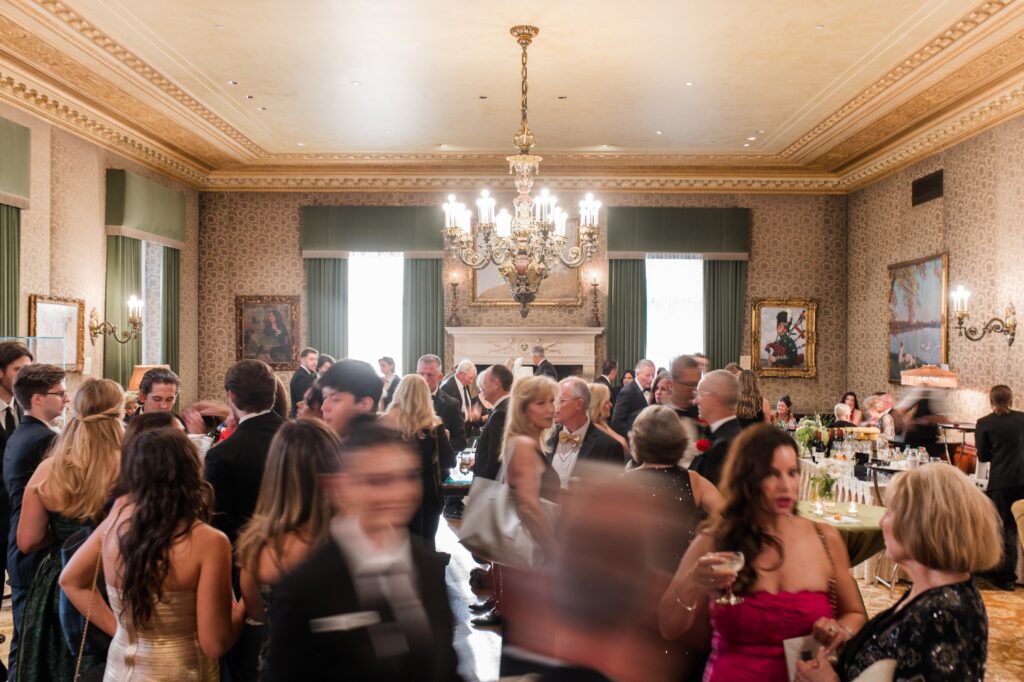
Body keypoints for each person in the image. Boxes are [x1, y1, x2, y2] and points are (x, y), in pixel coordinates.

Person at [661, 425, 866, 680]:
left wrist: (840, 629)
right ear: (747, 479)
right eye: (771, 474)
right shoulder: (716, 539)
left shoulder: (825, 537)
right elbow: (668, 628)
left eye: (792, 473)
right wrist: (692, 581)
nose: (785, 485)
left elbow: (855, 614)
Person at [264, 422, 461, 681]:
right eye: (377, 481)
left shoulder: (427, 565)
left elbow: (443, 667)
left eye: (407, 476)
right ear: (338, 487)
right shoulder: (307, 586)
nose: (397, 493)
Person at [58, 427, 244, 681]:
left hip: (120, 669)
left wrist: (122, 631)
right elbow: (214, 644)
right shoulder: (209, 542)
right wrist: (244, 607)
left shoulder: (116, 520)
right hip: (182, 672)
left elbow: (70, 580)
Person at [795, 465, 1002, 681]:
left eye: (890, 513)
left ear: (922, 525)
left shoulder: (945, 614)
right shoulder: (929, 591)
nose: (882, 522)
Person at [17, 378, 124, 681]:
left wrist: (65, 537)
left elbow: (27, 540)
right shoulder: (132, 463)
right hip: (118, 576)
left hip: (61, 579)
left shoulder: (50, 469)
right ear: (119, 413)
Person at [236, 419, 343, 679]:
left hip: (284, 661)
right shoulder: (353, 535)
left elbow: (255, 611)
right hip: (346, 661)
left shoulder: (259, 546)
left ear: (276, 471)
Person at [4, 363, 65, 679]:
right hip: (32, 549)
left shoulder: (21, 433)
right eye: (60, 393)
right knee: (30, 644)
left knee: (22, 639)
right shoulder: (44, 440)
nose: (66, 399)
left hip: (19, 546)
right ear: (38, 399)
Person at [490, 375, 560, 642]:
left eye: (552, 401)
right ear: (523, 410)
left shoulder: (525, 443)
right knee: (532, 638)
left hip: (527, 557)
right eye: (541, 403)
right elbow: (528, 507)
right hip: (532, 558)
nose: (550, 409)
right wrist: (556, 550)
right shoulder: (523, 446)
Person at [626, 406, 721, 572]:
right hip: (680, 576)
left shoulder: (623, 482)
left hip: (634, 575)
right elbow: (729, 517)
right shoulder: (694, 480)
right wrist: (701, 543)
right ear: (679, 439)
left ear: (637, 439)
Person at [378, 374, 455, 549]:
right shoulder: (434, 426)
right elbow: (449, 461)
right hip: (424, 492)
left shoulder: (383, 423)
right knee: (425, 545)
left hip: (390, 490)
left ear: (399, 393)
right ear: (425, 397)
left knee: (392, 544)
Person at [974, 384, 1024, 591]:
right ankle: (1009, 577)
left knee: (1002, 529)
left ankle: (1004, 577)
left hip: (1001, 482)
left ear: (991, 401)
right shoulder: (1023, 418)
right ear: (1011, 400)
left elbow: (983, 456)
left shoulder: (985, 423)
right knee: (1017, 528)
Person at [545, 377, 624, 487]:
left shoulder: (609, 447)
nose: (553, 407)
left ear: (579, 404)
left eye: (560, 401)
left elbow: (614, 495)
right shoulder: (546, 440)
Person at [688, 370, 743, 486]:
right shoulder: (726, 434)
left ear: (716, 399)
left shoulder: (724, 446)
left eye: (699, 394)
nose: (695, 401)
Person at [320, 359, 384, 437]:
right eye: (325, 398)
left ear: (365, 404)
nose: (324, 407)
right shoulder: (330, 445)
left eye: (335, 399)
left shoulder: (379, 447)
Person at [417, 354, 467, 452]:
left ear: (440, 377)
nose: (425, 379)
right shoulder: (406, 401)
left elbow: (461, 442)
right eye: (421, 374)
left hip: (439, 465)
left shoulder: (452, 404)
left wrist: (437, 445)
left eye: (430, 375)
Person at [474, 364, 514, 482]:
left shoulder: (500, 413)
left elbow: (496, 458)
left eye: (484, 383)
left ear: (496, 384)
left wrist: (483, 484)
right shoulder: (505, 406)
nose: (482, 388)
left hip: (490, 485)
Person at [894, 385, 948, 460]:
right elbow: (899, 411)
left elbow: (943, 419)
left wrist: (924, 420)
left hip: (928, 443)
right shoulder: (914, 391)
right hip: (911, 442)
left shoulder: (935, 393)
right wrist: (904, 422)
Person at [611, 359, 656, 437]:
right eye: (647, 375)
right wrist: (635, 436)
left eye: (653, 375)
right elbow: (617, 423)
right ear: (637, 374)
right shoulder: (626, 392)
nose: (651, 379)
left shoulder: (654, 391)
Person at [587, 382, 629, 459]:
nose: (611, 405)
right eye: (607, 402)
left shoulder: (604, 424)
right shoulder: (591, 431)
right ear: (596, 405)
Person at [441, 359, 482, 435]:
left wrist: (473, 413)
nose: (471, 382)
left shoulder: (464, 385)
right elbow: (448, 414)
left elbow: (464, 407)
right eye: (470, 378)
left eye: (473, 378)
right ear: (460, 374)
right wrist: (468, 415)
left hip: (465, 433)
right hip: (453, 435)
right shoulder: (446, 387)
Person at [288, 347, 318, 417]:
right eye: (311, 359)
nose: (315, 362)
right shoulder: (300, 377)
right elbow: (305, 401)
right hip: (301, 418)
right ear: (303, 360)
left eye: (316, 359)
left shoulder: (309, 374)